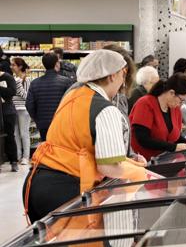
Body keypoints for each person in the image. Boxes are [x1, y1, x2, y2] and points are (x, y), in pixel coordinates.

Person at [22, 50, 147, 222]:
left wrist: (131, 162)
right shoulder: (106, 109)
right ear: (112, 75)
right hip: (64, 190)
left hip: (36, 184)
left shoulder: (73, 96)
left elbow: (80, 146)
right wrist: (142, 173)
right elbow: (108, 167)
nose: (123, 81)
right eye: (123, 74)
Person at [129, 73, 186, 161]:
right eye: (181, 100)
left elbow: (175, 137)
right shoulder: (145, 104)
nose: (181, 104)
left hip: (164, 160)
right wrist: (173, 147)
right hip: (143, 162)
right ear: (172, 93)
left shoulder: (175, 109)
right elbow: (142, 139)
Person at [26, 53, 72, 142]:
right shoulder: (66, 82)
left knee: (47, 148)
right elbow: (71, 103)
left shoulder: (34, 83)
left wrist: (37, 118)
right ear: (56, 64)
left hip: (43, 124)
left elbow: (29, 105)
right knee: (60, 148)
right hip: (61, 123)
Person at [11, 57, 31, 165]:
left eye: (14, 65)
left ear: (20, 66)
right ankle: (18, 155)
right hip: (14, 108)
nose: (12, 67)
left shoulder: (26, 79)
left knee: (24, 133)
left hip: (23, 109)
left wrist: (17, 85)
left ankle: (26, 157)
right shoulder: (13, 78)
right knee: (15, 134)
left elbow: (26, 96)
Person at [0, 65, 17, 172]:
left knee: (10, 136)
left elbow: (12, 92)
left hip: (7, 112)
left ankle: (13, 161)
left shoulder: (8, 77)